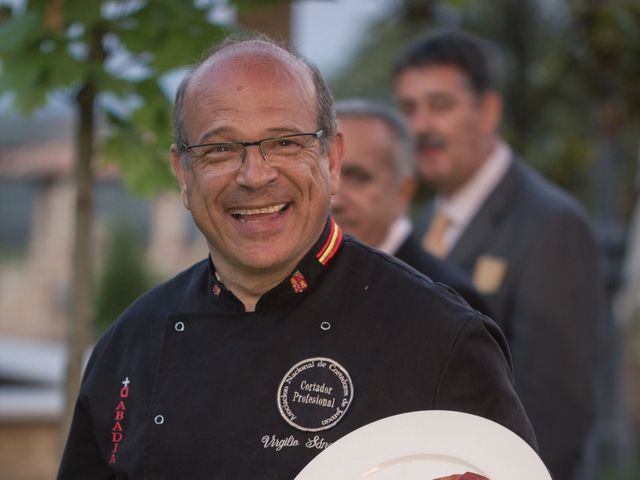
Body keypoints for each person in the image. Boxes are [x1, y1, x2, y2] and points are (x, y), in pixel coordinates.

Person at [57, 35, 536, 479]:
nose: (255, 175)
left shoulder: (442, 339)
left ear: (331, 160)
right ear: (183, 173)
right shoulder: (129, 345)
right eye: (221, 148)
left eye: (285, 142)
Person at [393, 30, 604, 480]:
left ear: (487, 110)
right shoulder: (427, 222)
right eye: (409, 109)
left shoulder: (550, 224)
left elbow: (556, 414)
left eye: (440, 106)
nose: (421, 127)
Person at [332, 98, 489, 315]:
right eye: (325, 175)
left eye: (359, 178)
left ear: (403, 192)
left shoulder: (449, 301)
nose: (334, 200)